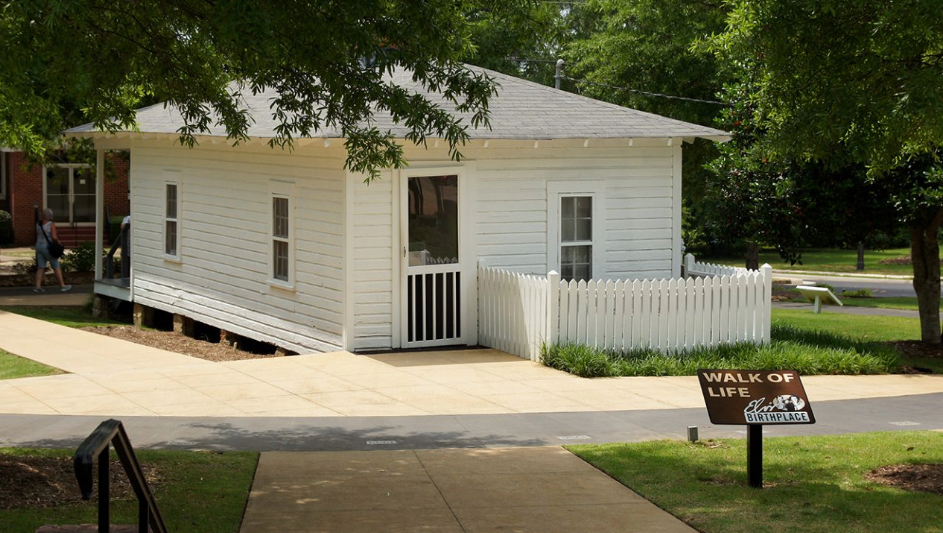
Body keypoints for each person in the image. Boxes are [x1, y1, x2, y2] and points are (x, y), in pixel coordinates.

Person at [34, 208, 71, 293]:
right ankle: (62, 285)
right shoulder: (51, 225)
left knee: (41, 267)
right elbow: (54, 237)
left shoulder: (38, 224)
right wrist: (59, 243)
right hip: (47, 247)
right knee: (56, 266)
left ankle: (38, 286)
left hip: (38, 246)